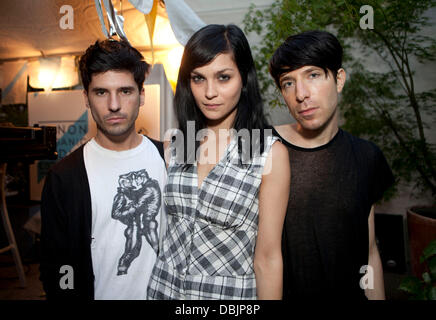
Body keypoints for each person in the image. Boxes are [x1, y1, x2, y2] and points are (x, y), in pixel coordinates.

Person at [147, 24, 290, 300]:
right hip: (162, 291)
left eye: (223, 77)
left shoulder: (268, 154)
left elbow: (269, 258)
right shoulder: (174, 144)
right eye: (198, 78)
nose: (209, 92)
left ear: (244, 79)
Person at [269, 30, 395, 300]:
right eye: (288, 83)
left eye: (313, 75)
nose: (301, 94)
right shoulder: (262, 148)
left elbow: (370, 250)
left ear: (338, 80)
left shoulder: (366, 156)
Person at [39, 39, 166, 299]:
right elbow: (56, 267)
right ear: (86, 97)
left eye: (126, 91)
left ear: (142, 95)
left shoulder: (169, 160)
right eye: (101, 92)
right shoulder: (64, 177)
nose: (114, 105)